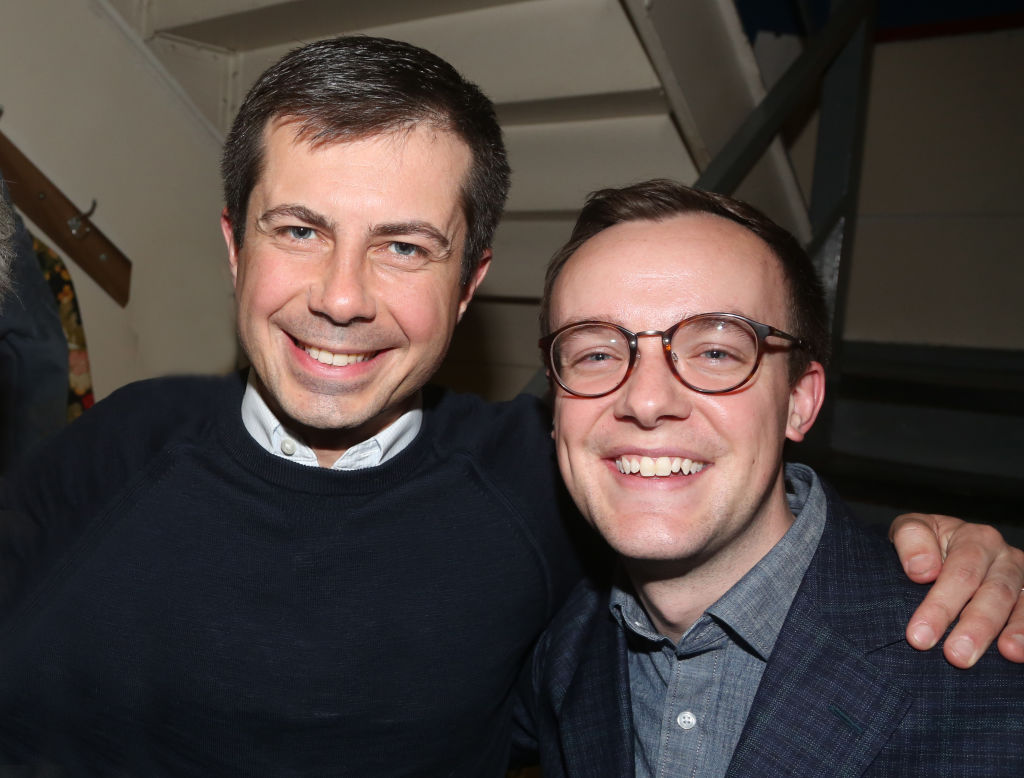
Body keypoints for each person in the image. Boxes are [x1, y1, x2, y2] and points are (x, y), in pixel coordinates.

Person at [0, 37, 1019, 776]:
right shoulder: (124, 439)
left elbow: (733, 516)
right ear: (235, 247)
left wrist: (944, 549)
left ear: (469, 283)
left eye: (404, 245)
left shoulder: (545, 481)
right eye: (300, 230)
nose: (342, 295)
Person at [515, 180, 1024, 777]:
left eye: (716, 352)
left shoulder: (989, 679)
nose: (647, 401)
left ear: (799, 403)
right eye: (596, 354)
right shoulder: (562, 645)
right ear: (555, 409)